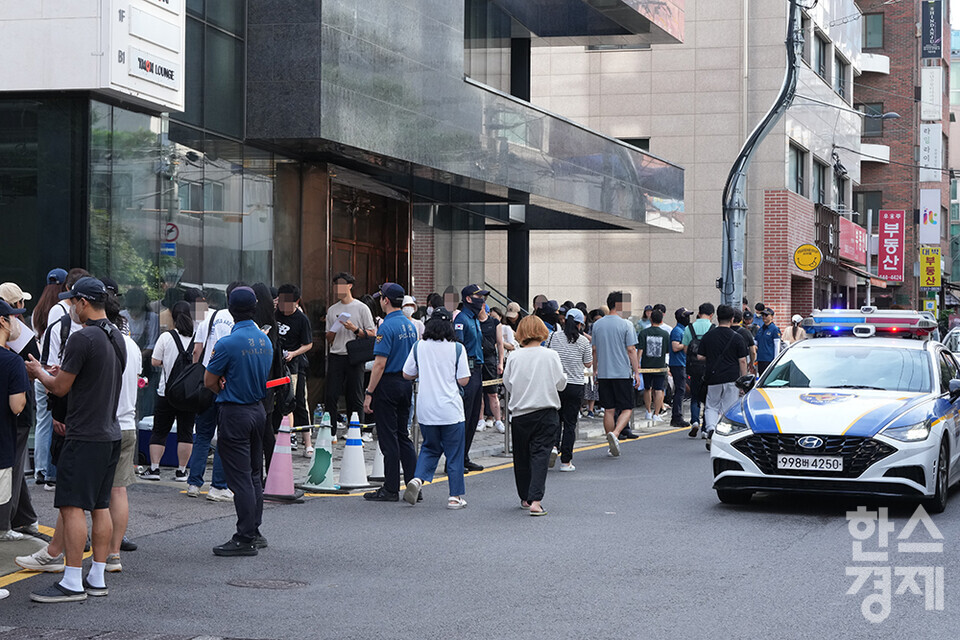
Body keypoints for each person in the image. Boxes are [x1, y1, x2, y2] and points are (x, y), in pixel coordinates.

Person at [25, 276, 126, 603]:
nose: (70, 307)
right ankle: (95, 576)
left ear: (84, 302)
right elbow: (95, 376)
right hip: (110, 433)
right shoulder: (116, 337)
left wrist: (40, 372)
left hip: (84, 434)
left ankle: (71, 581)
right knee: (99, 507)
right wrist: (62, 369)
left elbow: (60, 388)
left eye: (73, 302)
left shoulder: (83, 338)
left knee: (71, 507)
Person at [204, 287, 273, 556]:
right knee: (255, 474)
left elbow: (209, 380)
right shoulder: (264, 340)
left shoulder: (227, 343)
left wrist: (224, 387)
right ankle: (254, 530)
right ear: (254, 308)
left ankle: (244, 537)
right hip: (258, 411)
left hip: (235, 412)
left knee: (240, 478)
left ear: (230, 309)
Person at [401, 308, 471, 508]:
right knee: (454, 453)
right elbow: (463, 380)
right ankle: (454, 497)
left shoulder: (418, 346)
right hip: (450, 409)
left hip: (426, 408)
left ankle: (417, 480)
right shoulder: (457, 348)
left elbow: (407, 373)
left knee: (429, 448)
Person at [503, 316, 566, 516]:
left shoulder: (514, 356)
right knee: (540, 455)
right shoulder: (551, 355)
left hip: (521, 413)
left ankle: (525, 497)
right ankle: (536, 501)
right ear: (542, 331)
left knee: (521, 456)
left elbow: (508, 384)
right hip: (546, 411)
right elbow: (561, 383)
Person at [362, 283, 418, 502]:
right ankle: (414, 484)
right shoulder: (410, 325)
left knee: (388, 437)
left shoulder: (386, 327)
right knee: (403, 435)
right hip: (406, 383)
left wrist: (369, 392)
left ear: (385, 300)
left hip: (388, 384)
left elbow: (379, 364)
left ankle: (391, 487)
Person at [184, 283, 238, 502]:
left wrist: (200, 372)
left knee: (203, 435)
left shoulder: (210, 318)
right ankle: (218, 486)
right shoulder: (237, 321)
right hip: (226, 382)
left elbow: (197, 350)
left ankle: (194, 483)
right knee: (223, 437)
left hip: (205, 381)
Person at [102, 280, 141, 573]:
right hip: (129, 423)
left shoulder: (103, 342)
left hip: (103, 424)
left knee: (85, 496)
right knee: (119, 491)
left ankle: (92, 558)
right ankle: (114, 554)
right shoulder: (132, 346)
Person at [143, 301, 195, 481]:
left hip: (167, 392)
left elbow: (154, 361)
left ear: (172, 316)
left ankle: (154, 469)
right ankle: (182, 471)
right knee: (186, 432)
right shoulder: (197, 337)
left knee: (159, 430)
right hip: (189, 394)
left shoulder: (166, 337)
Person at [591, 291, 641, 457]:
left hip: (604, 373)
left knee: (608, 409)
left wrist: (595, 370)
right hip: (621, 373)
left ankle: (610, 440)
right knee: (627, 408)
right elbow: (631, 349)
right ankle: (616, 434)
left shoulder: (597, 325)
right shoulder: (626, 325)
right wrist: (637, 372)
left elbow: (595, 350)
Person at [325, 272, 376, 436]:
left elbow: (372, 333)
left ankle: (356, 431)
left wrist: (354, 328)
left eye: (341, 284)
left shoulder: (362, 308)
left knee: (355, 395)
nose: (338, 288)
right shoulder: (332, 310)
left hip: (355, 357)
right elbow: (328, 338)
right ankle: (330, 431)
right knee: (331, 395)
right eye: (335, 285)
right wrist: (335, 329)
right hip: (336, 355)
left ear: (349, 286)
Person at [545, 308, 592, 471]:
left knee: (555, 419)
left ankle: (553, 447)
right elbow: (588, 363)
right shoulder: (584, 341)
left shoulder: (553, 336)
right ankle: (566, 461)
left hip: (556, 383)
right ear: (579, 324)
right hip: (575, 385)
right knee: (570, 424)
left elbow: (548, 356)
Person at [696, 304, 748, 450]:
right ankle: (722, 435)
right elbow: (742, 360)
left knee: (711, 406)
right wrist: (744, 380)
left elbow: (700, 356)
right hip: (732, 378)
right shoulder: (737, 338)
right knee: (728, 408)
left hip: (712, 377)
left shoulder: (709, 335)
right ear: (732, 319)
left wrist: (712, 358)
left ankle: (711, 428)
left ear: (717, 318)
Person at [0, 299, 30, 543]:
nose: (15, 322)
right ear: (3, 321)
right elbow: (17, 405)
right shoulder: (12, 362)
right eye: (12, 317)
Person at [453, 284, 489, 473]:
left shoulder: (474, 319)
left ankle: (464, 456)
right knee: (465, 416)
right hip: (468, 371)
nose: (482, 300)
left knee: (474, 416)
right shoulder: (461, 319)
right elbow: (458, 347)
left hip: (477, 371)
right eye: (478, 296)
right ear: (468, 298)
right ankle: (457, 459)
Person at [275, 284, 314, 454]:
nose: (283, 306)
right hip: (276, 364)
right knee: (277, 403)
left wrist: (293, 353)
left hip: (294, 366)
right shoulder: (274, 314)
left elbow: (308, 344)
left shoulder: (301, 319)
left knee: (299, 403)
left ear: (296, 301)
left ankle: (307, 443)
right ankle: (281, 438)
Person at [682, 302, 714, 438]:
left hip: (693, 368)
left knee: (694, 396)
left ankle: (695, 421)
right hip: (708, 368)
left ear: (699, 313)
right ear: (712, 315)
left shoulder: (690, 328)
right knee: (708, 398)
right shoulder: (713, 328)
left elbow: (685, 348)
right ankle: (706, 428)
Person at [637, 308, 671, 423]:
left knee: (647, 388)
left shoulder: (644, 333)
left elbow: (640, 350)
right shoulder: (665, 334)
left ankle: (648, 411)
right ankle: (657, 413)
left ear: (651, 319)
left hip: (646, 365)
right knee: (659, 390)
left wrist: (637, 365)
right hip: (660, 365)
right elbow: (667, 351)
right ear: (661, 319)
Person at [478, 305, 505, 434]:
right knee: (479, 392)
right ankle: (480, 419)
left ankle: (498, 420)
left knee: (493, 393)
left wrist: (501, 362)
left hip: (490, 359)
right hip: (477, 358)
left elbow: (500, 343)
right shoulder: (472, 321)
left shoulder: (494, 322)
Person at [669, 308, 692, 429]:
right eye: (686, 316)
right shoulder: (677, 331)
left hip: (682, 363)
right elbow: (675, 347)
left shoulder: (683, 330)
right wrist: (687, 344)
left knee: (681, 390)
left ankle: (677, 416)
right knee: (680, 390)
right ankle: (677, 417)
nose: (688, 318)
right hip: (677, 364)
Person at [755, 308, 781, 375]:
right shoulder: (760, 329)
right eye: (763, 315)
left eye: (766, 315)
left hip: (769, 360)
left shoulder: (774, 329)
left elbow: (777, 346)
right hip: (760, 359)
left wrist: (775, 361)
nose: (764, 317)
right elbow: (756, 343)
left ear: (772, 317)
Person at [732, 309, 758, 374]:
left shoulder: (725, 331)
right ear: (742, 319)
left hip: (727, 364)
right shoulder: (746, 332)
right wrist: (751, 362)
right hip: (742, 363)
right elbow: (753, 351)